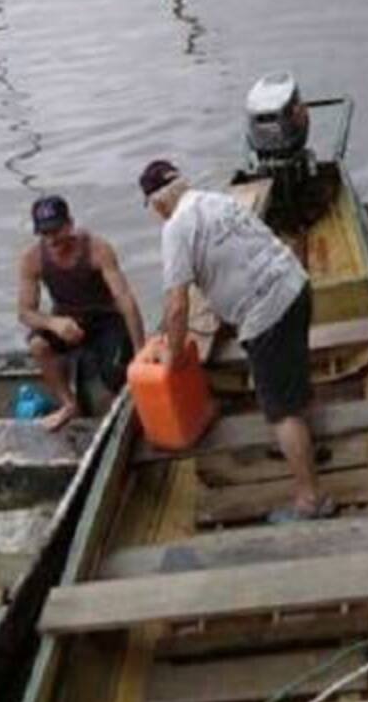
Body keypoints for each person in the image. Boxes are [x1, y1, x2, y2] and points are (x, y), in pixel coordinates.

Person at [140, 159, 335, 522]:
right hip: (294, 286)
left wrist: (172, 356)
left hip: (267, 314)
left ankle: (311, 500)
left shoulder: (175, 228)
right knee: (293, 376)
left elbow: (178, 305)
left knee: (280, 410)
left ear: (158, 204)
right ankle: (310, 448)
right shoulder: (217, 200)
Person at [17, 194, 146, 431]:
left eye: (57, 231)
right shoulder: (32, 259)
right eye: (45, 234)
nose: (52, 240)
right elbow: (25, 312)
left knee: (115, 373)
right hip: (68, 320)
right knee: (38, 346)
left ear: (70, 224)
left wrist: (140, 348)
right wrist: (53, 323)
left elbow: (124, 298)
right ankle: (68, 404)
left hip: (106, 319)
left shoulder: (97, 249)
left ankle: (130, 409)